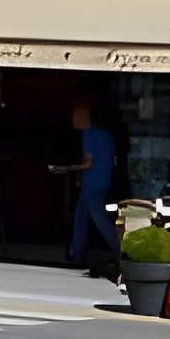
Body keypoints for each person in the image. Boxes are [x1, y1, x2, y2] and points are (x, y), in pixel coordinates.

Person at [56, 98, 120, 274]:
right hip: (100, 181)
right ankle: (76, 252)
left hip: (93, 183)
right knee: (81, 217)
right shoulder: (106, 135)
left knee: (99, 220)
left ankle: (119, 252)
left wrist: (66, 168)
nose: (73, 119)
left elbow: (88, 163)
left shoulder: (89, 135)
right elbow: (112, 160)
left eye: (76, 116)